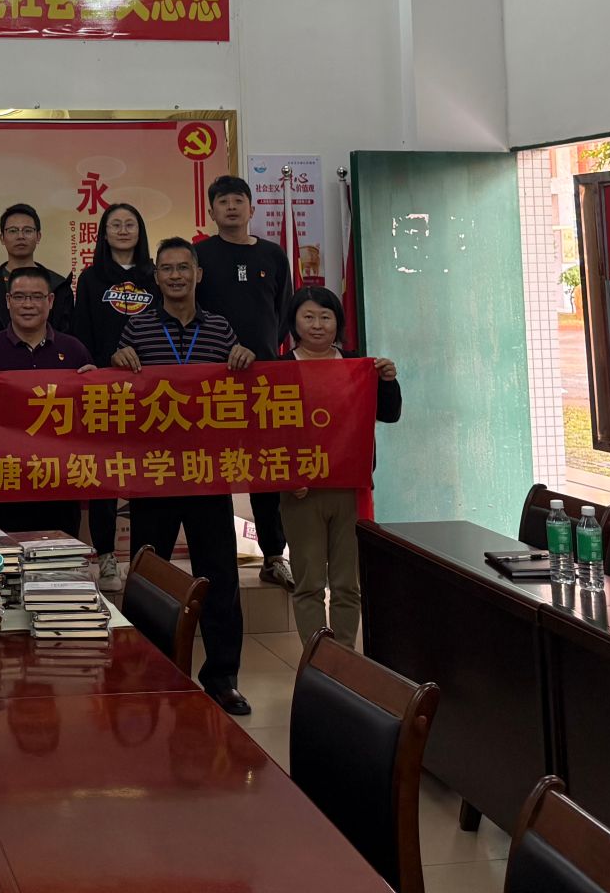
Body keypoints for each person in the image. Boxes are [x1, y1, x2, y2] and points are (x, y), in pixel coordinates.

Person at [113, 237, 257, 717]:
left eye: (183, 268)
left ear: (198, 274)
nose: (175, 276)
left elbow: (242, 388)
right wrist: (117, 361)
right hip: (153, 475)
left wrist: (243, 357)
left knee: (220, 578)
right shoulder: (136, 328)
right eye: (167, 269)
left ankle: (223, 679)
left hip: (206, 473)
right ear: (156, 277)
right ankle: (152, 673)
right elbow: (116, 394)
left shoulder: (219, 329)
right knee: (150, 578)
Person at [279, 285, 401, 646]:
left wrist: (389, 382)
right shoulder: (279, 368)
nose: (317, 325)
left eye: (325, 316)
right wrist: (286, 476)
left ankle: (344, 657)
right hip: (301, 492)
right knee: (309, 583)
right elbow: (267, 432)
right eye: (308, 316)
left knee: (348, 583)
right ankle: (317, 658)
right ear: (294, 323)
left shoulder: (357, 365)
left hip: (350, 488)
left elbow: (389, 414)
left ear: (338, 322)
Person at [193, 173, 295, 592]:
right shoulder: (199, 255)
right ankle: (214, 560)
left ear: (252, 208)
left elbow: (283, 313)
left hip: (263, 382)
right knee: (211, 468)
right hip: (211, 381)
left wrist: (261, 351)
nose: (231, 207)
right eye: (223, 201)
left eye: (238, 200)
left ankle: (273, 555)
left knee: (265, 470)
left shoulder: (273, 254)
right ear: (211, 211)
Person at [69, 202, 158, 590]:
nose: (123, 230)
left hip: (150, 390)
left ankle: (144, 558)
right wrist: (105, 363)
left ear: (140, 232)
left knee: (146, 474)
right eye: (115, 224)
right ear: (103, 233)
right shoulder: (91, 278)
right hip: (104, 389)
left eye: (130, 224)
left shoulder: (155, 275)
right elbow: (82, 332)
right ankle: (105, 557)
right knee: (104, 475)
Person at [0, 266, 94, 534]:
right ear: (8, 301)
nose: (28, 305)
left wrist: (97, 387)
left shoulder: (74, 351)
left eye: (36, 297)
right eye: (20, 297)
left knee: (61, 555)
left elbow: (90, 418)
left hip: (60, 479)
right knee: (5, 555)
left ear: (50, 301)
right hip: (4, 481)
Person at [0, 202, 74, 345]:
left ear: (38, 236)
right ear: (2, 238)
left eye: (27, 230)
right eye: (13, 231)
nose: (20, 236)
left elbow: (65, 338)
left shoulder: (58, 286)